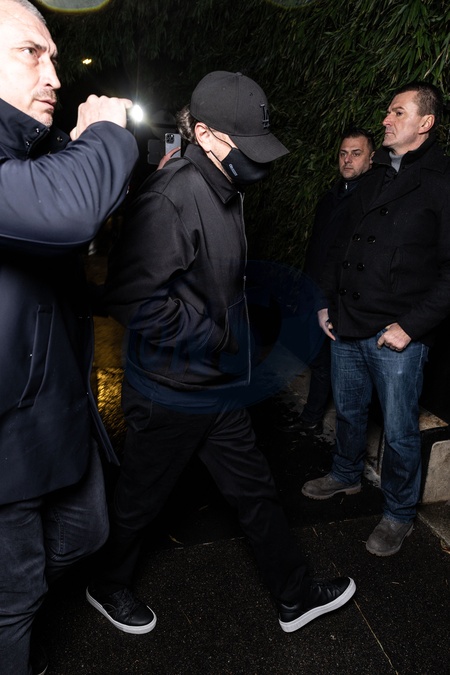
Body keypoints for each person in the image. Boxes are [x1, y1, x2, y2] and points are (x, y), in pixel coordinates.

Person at [87, 70, 356, 635]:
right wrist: (219, 336)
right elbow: (132, 300)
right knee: (139, 501)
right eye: (246, 145)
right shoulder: (171, 197)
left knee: (255, 490)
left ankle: (294, 595)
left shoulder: (223, 186)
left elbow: (210, 280)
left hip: (216, 384)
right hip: (170, 391)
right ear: (205, 134)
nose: (257, 160)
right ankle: (105, 584)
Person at [0, 1, 139, 673]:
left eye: (53, 55)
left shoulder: (30, 148)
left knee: (88, 532)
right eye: (31, 52)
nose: (53, 73)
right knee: (16, 596)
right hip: (6, 433)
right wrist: (105, 131)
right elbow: (74, 206)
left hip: (59, 412)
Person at [302, 81, 450, 557]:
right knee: (348, 411)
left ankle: (399, 513)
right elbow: (340, 245)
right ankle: (345, 474)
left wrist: (411, 327)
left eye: (397, 112)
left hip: (397, 334)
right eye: (388, 111)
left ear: (425, 123)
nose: (386, 119)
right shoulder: (375, 174)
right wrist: (325, 302)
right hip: (347, 322)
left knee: (400, 430)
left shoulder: (442, 181)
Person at [280, 128, 375, 434]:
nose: (347, 160)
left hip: (344, 298)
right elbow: (318, 248)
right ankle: (312, 418)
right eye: (343, 153)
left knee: (339, 365)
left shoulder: (371, 200)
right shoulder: (329, 198)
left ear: (371, 158)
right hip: (315, 291)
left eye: (356, 154)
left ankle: (317, 422)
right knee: (318, 358)